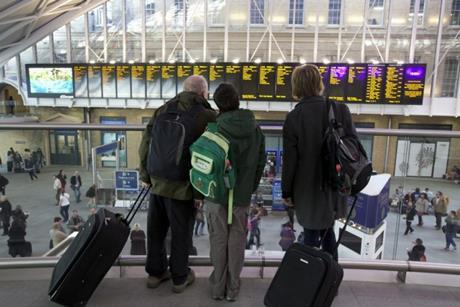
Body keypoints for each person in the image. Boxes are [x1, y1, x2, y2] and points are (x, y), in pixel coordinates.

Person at [139, 75, 216, 293]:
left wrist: (145, 175)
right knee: (181, 234)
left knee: (155, 230)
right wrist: (201, 192)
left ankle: (155, 273)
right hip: (183, 187)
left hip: (157, 182)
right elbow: (209, 155)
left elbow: (146, 143)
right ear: (203, 93)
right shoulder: (207, 116)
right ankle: (179, 278)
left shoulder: (162, 110)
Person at [281, 64, 357, 260]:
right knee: (328, 231)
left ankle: (313, 282)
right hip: (335, 183)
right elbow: (353, 146)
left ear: (296, 86)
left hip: (307, 188)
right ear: (319, 83)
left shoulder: (294, 117)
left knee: (311, 235)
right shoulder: (340, 109)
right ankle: (329, 280)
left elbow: (291, 160)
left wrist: (287, 191)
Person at [202, 83, 265, 301]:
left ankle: (218, 287)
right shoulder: (255, 130)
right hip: (241, 196)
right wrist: (249, 187)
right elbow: (260, 164)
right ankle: (233, 288)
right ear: (237, 100)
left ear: (217, 104)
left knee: (219, 239)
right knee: (237, 239)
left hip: (216, 194)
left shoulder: (214, 128)